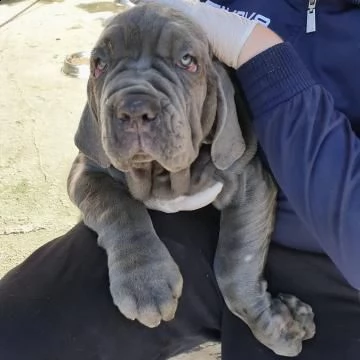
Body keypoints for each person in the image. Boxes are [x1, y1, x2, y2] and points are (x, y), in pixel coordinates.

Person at [1, 0, 360, 359]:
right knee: (15, 332)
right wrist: (130, 242)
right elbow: (89, 169)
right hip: (187, 223)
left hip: (330, 261)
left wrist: (257, 50)